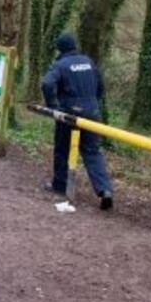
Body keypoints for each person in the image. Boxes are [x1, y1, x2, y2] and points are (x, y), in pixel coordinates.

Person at [41, 33, 114, 211]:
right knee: (92, 152)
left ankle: (60, 184)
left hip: (69, 114)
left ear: (60, 49)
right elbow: (101, 86)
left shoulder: (60, 65)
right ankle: (104, 190)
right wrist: (92, 102)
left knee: (62, 150)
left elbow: (47, 84)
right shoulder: (88, 62)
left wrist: (53, 107)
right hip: (93, 113)